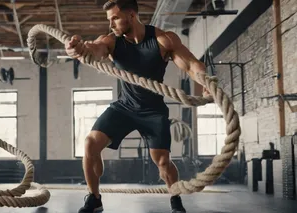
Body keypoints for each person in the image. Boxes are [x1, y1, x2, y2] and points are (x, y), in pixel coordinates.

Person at [64, 0, 209, 212]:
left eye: (115, 18)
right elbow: (96, 50)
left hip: (153, 110)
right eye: (109, 20)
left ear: (131, 16)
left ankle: (175, 199)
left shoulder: (163, 39)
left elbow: (191, 65)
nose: (111, 24)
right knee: (90, 144)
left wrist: (207, 82)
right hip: (124, 107)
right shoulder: (112, 41)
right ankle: (94, 198)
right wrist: (80, 49)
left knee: (162, 162)